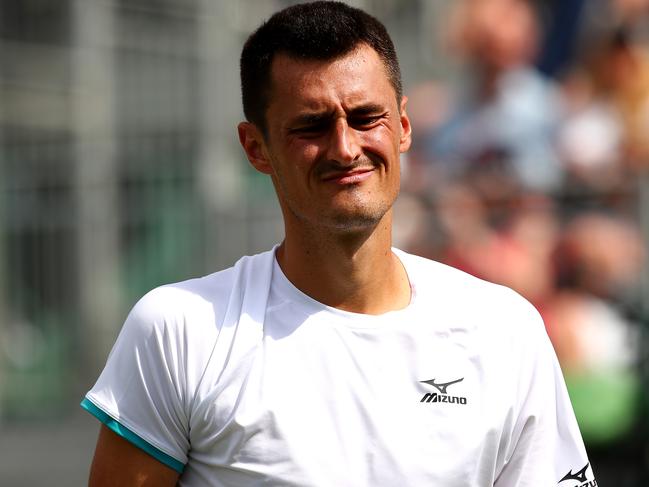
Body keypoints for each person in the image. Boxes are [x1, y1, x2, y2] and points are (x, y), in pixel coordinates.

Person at [81, 2, 595, 486]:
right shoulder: (180, 330)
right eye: (311, 125)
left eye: (367, 117)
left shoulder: (504, 330)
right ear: (255, 147)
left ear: (405, 126)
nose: (346, 147)